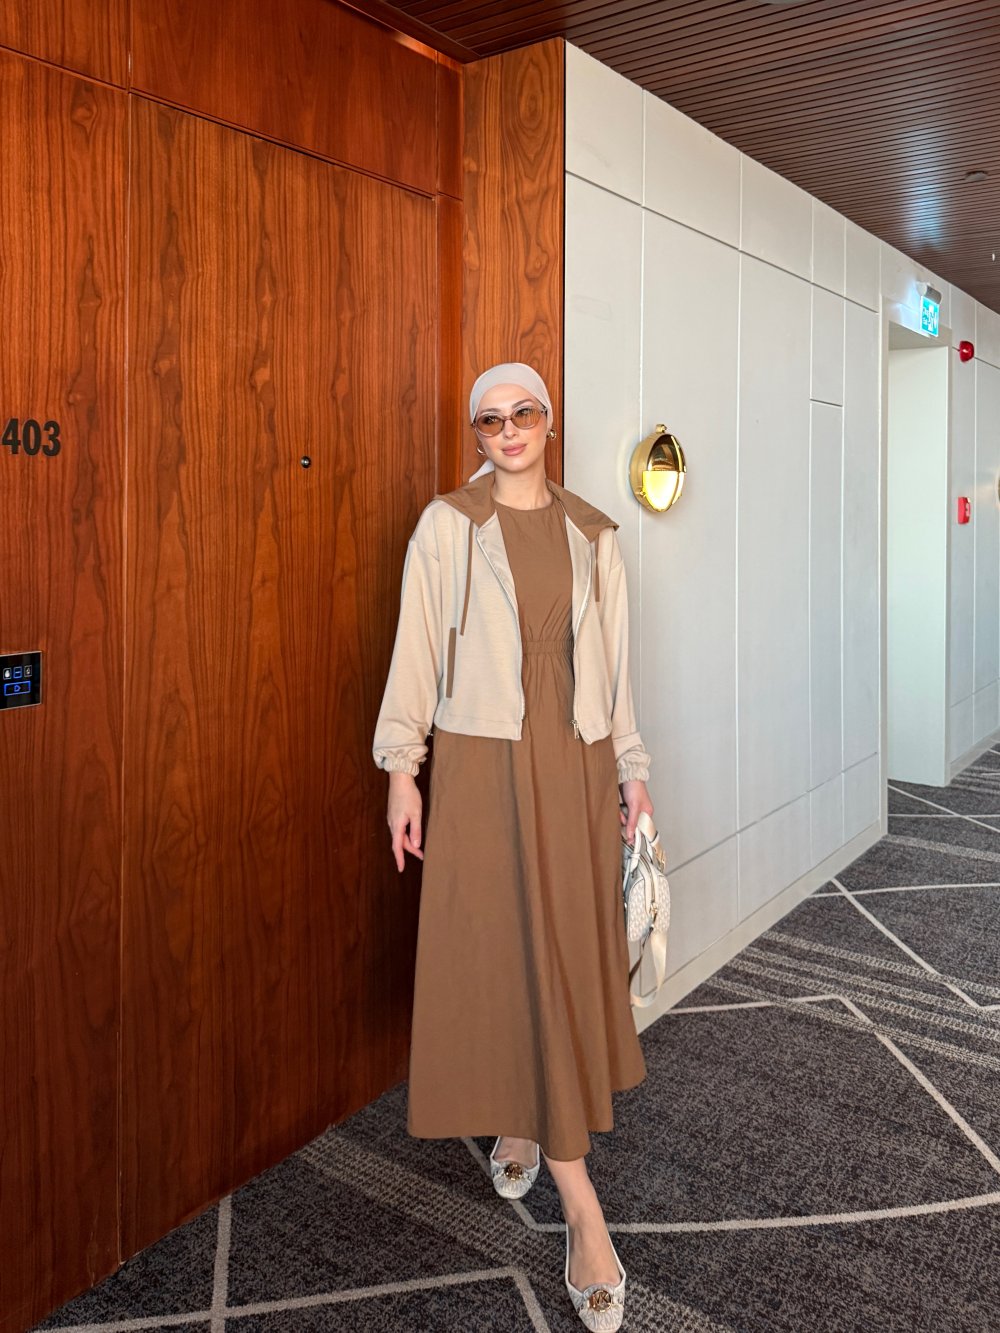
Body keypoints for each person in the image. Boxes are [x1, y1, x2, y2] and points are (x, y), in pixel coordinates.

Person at [372, 361, 654, 1331]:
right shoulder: (448, 526)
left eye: (522, 412)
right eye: (489, 419)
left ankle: (531, 1126)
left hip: (573, 761)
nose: (508, 429)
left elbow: (616, 670)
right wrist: (402, 769)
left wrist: (632, 769)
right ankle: (584, 1212)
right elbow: (417, 649)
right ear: (478, 434)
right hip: (486, 760)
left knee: (561, 952)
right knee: (501, 946)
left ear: (548, 419)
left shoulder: (593, 533)